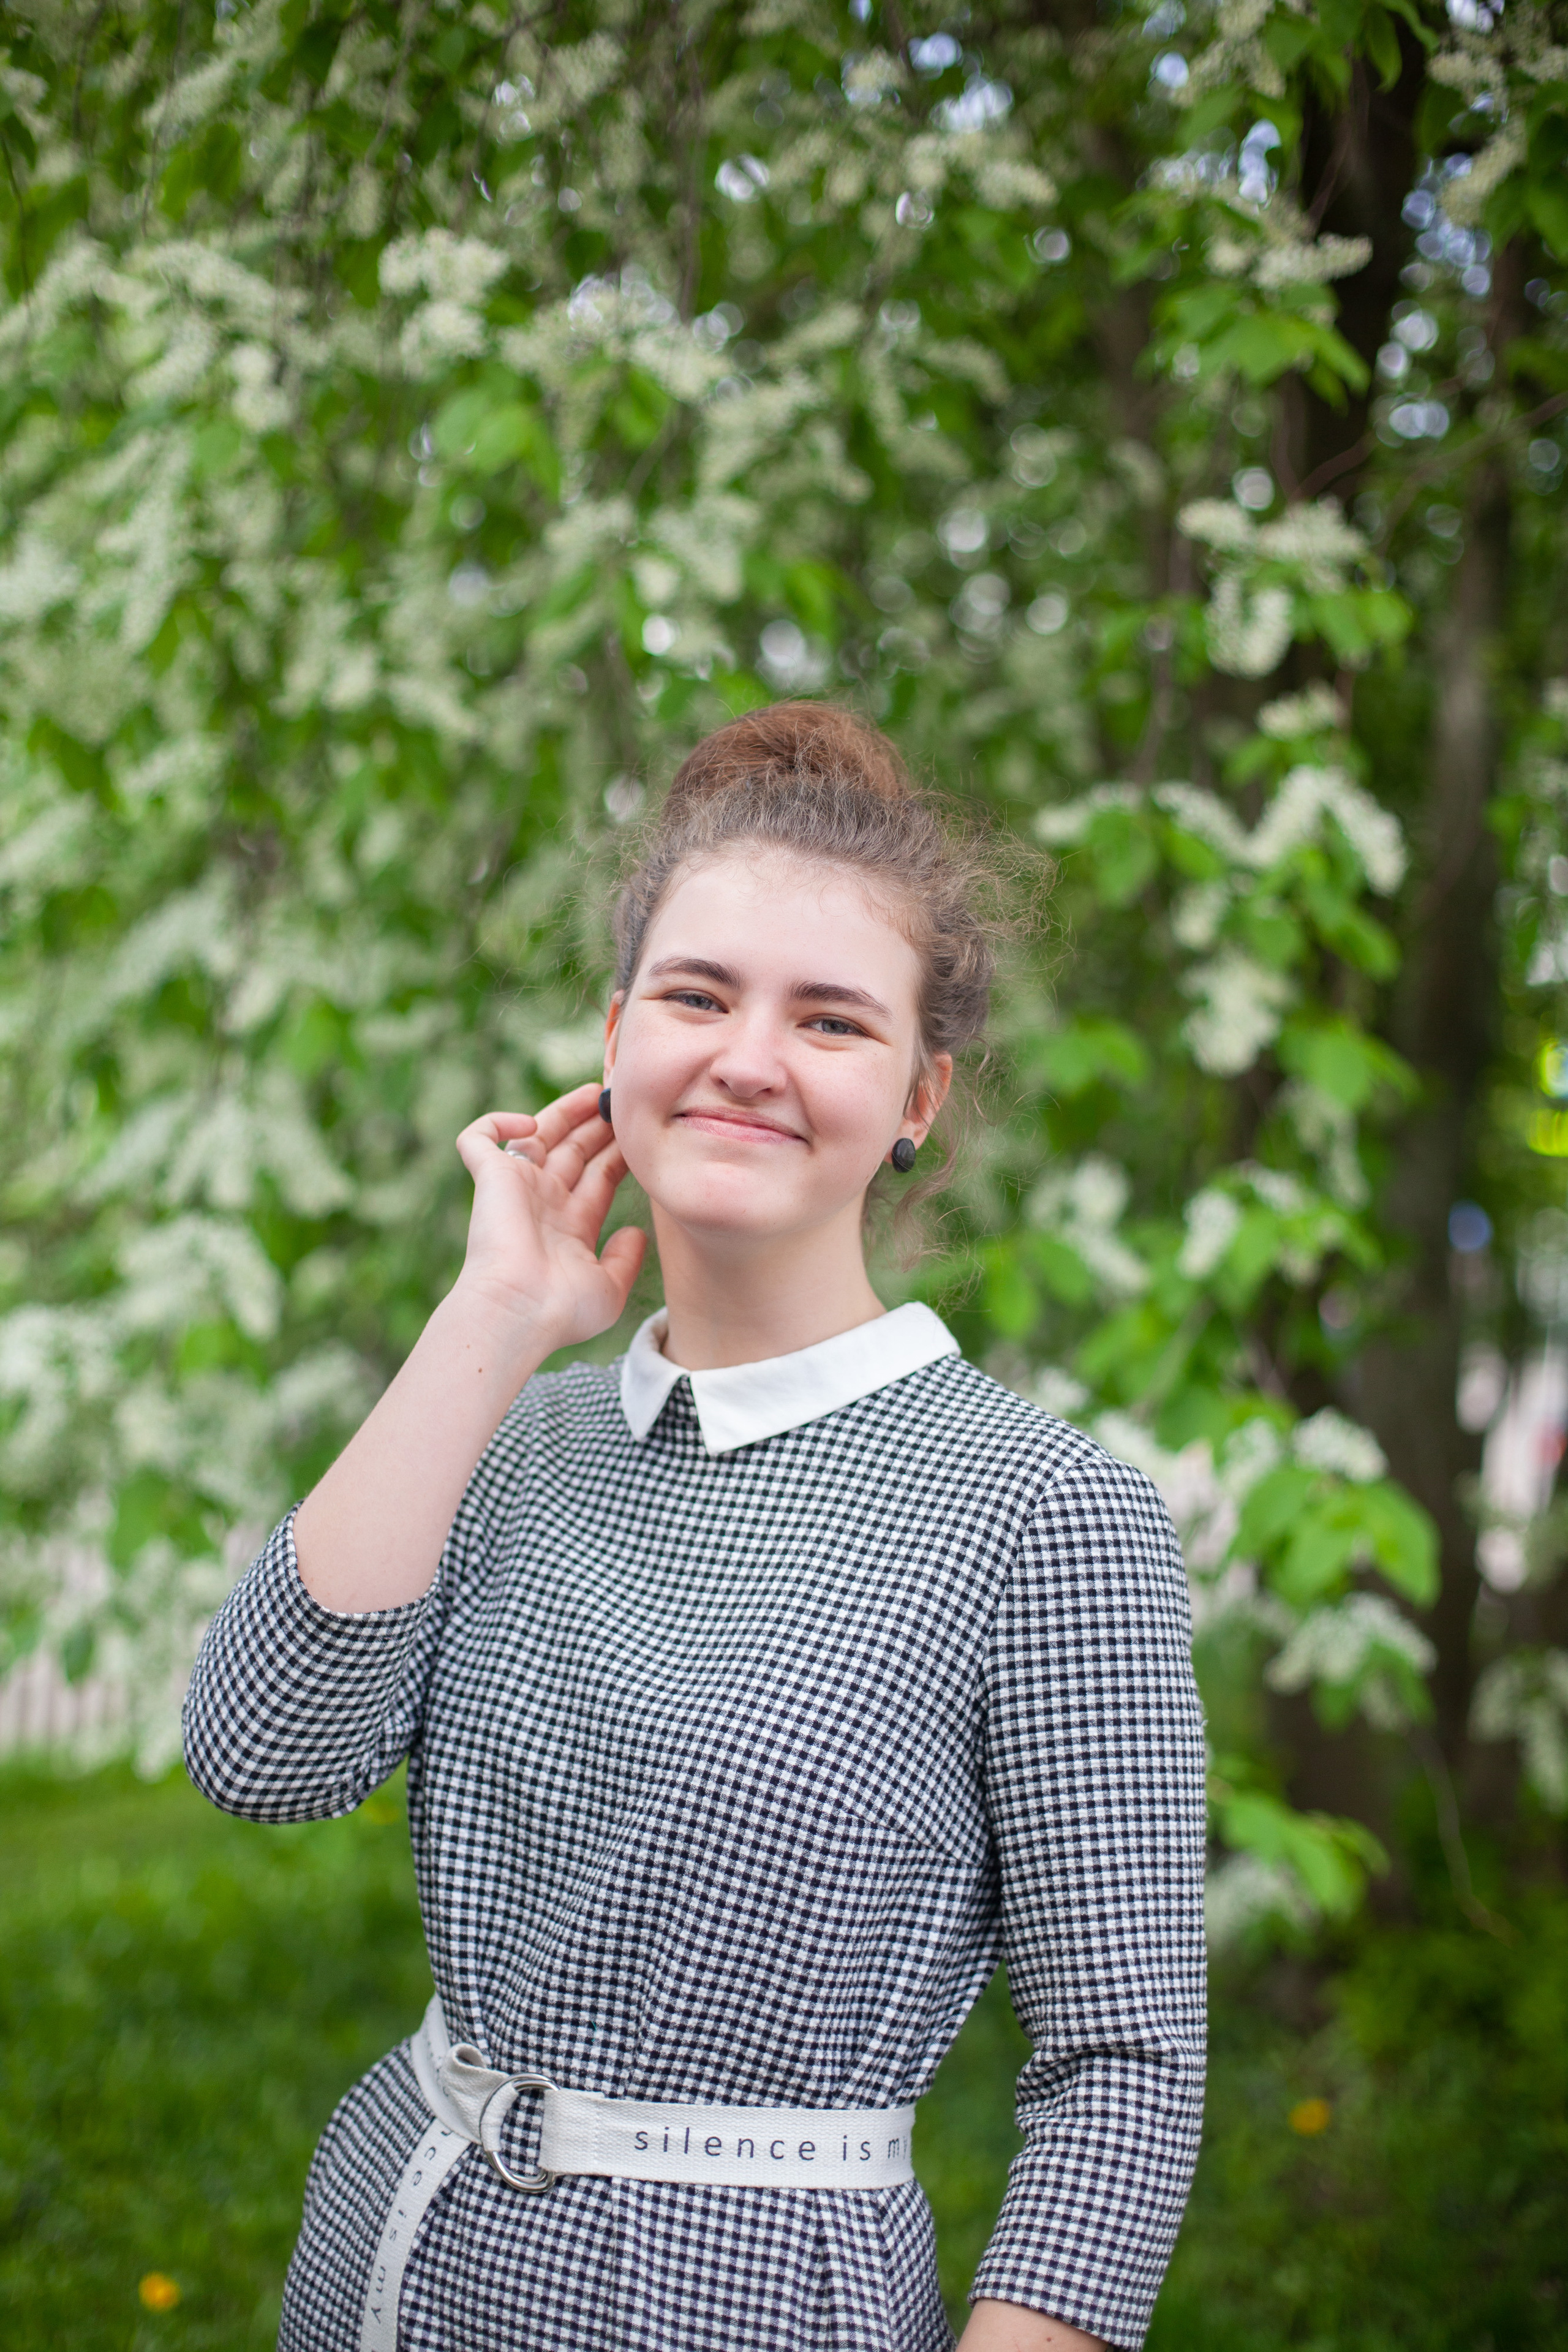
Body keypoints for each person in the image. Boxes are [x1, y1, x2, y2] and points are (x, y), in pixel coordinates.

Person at [184, 701, 1206, 2352]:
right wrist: (495, 1316)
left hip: (751, 2300)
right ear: (613, 1035)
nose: (747, 1058)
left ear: (920, 1095)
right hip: (394, 2254)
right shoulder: (515, 1432)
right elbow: (261, 1761)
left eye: (831, 1021)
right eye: (697, 994)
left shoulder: (1043, 1512)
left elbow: (1126, 2077)